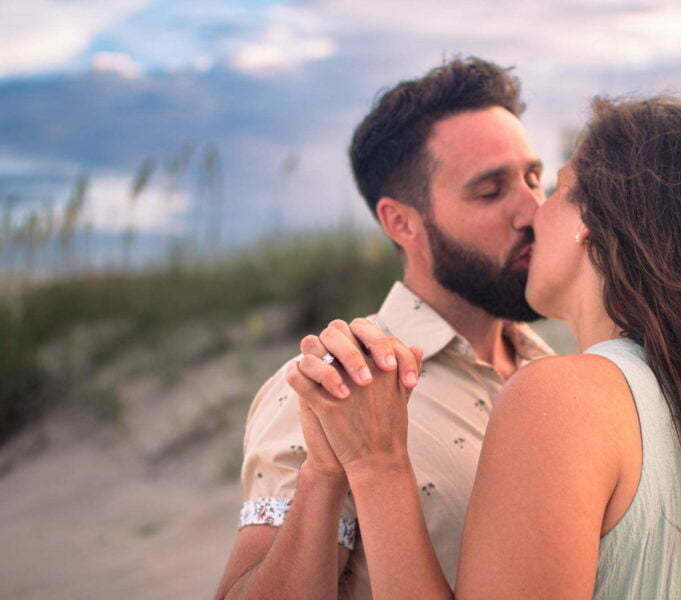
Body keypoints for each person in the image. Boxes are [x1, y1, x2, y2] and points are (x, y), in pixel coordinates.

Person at [289, 98, 681, 599]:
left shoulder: (563, 397)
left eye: (552, 188)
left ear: (592, 220)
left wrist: (377, 465)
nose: (531, 214)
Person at [215, 57, 554, 600]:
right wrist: (323, 476)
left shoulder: (556, 374)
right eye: (491, 191)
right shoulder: (334, 385)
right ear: (401, 222)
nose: (533, 211)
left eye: (535, 179)